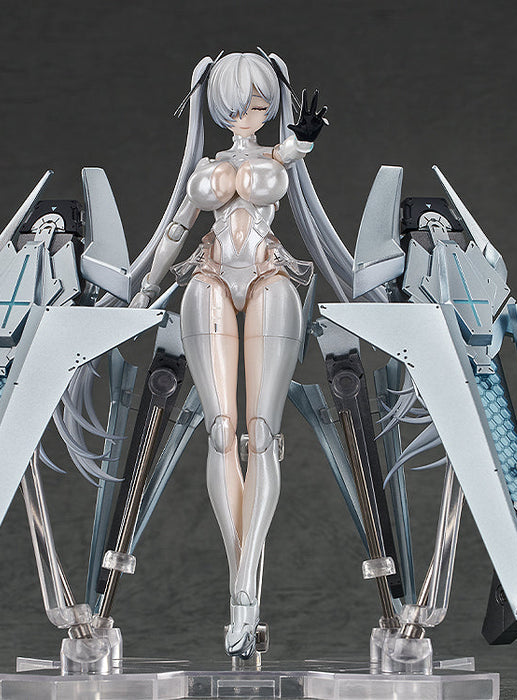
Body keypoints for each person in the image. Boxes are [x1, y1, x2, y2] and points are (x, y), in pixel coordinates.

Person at [129, 51, 354, 658]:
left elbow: (292, 157)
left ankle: (246, 583)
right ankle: (239, 588)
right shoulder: (207, 166)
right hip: (206, 277)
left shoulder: (278, 154)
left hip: (268, 277)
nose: (247, 113)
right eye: (236, 104)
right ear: (217, 106)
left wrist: (303, 140)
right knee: (221, 431)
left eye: (258, 102)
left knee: (263, 433)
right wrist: (145, 289)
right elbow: (176, 229)